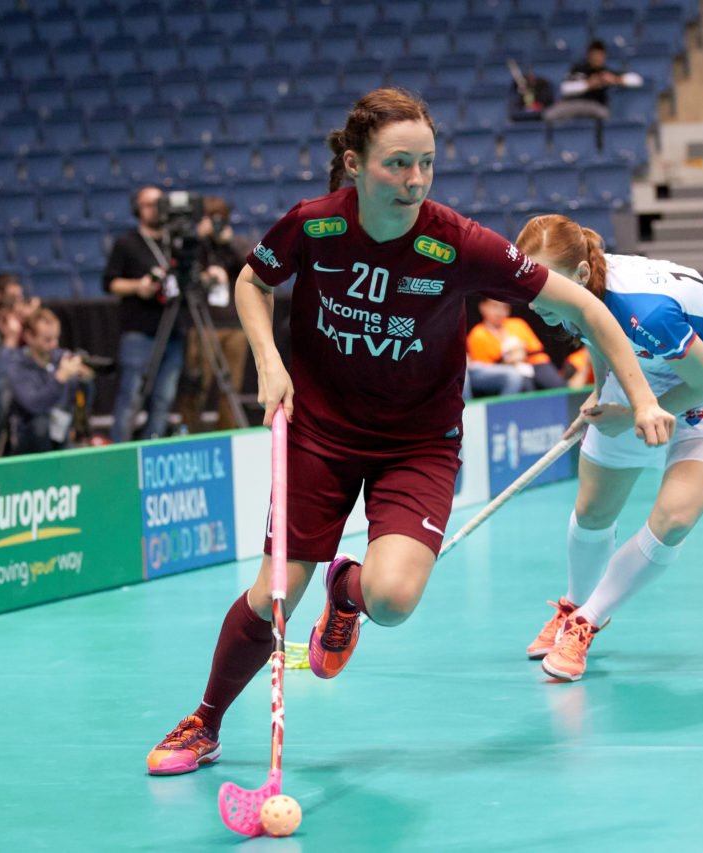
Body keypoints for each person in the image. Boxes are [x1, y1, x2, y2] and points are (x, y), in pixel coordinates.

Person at [145, 88, 674, 777]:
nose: (415, 180)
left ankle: (349, 594)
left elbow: (583, 305)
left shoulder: (454, 241)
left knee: (392, 601)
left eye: (426, 163)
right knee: (273, 591)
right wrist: (269, 361)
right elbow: (253, 281)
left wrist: (639, 397)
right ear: (355, 164)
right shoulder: (314, 226)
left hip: (418, 443)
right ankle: (205, 721)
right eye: (398, 164)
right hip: (319, 433)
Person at [516, 214, 703, 681]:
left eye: (545, 286)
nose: (535, 300)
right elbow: (597, 332)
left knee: (674, 519)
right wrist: (601, 389)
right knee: (591, 513)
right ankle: (572, 606)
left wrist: (631, 413)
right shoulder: (579, 290)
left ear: (582, 276)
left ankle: (588, 622)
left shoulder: (647, 310)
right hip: (643, 379)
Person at [103, 185, 187, 443]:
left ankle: (154, 448)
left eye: (159, 203)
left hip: (173, 332)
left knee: (163, 399)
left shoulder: (175, 242)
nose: (155, 209)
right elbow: (110, 283)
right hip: (139, 333)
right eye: (149, 204)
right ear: (137, 209)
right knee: (131, 398)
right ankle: (119, 454)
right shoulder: (126, 243)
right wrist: (138, 286)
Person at [179, 196, 252, 432]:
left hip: (234, 326)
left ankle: (229, 434)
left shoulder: (237, 243)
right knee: (196, 385)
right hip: (203, 325)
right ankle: (189, 433)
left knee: (231, 389)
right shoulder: (195, 246)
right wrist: (197, 238)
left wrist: (228, 242)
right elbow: (181, 270)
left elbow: (256, 268)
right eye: (211, 219)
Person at [2, 308, 93, 455]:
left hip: (62, 434)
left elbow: (81, 404)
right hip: (29, 440)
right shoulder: (17, 365)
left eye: (56, 338)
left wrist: (85, 381)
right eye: (47, 340)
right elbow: (35, 405)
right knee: (41, 424)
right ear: (29, 337)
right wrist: (60, 378)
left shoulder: (62, 357)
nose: (53, 345)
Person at [466, 297, 566, 396]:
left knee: (554, 381)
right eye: (494, 306)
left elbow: (537, 351)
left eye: (504, 307)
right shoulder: (477, 335)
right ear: (483, 307)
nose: (499, 311)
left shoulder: (518, 324)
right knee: (524, 384)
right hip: (507, 369)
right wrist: (507, 361)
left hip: (532, 363)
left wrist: (522, 353)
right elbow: (485, 370)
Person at [543, 39, 642, 123]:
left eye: (600, 55)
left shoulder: (606, 72)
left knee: (605, 115)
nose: (597, 58)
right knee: (549, 115)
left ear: (604, 56)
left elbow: (637, 80)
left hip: (594, 104)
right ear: (589, 55)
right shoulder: (579, 69)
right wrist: (588, 84)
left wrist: (616, 80)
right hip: (572, 103)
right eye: (595, 55)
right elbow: (564, 88)